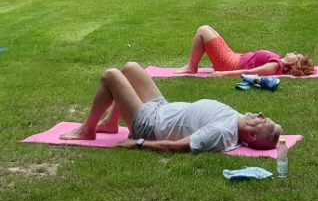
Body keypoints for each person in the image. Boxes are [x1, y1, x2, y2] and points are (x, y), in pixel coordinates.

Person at [60, 62, 282, 152]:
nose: (261, 114)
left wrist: (137, 143)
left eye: (263, 121)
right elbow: (270, 137)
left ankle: (87, 130)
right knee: (130, 68)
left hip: (150, 124)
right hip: (162, 108)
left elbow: (178, 146)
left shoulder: (220, 133)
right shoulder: (242, 123)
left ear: (252, 137)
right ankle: (109, 123)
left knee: (111, 75)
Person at [174, 25, 316, 77]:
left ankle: (191, 67)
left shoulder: (275, 65)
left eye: (297, 55)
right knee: (207, 29)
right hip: (233, 57)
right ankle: (191, 65)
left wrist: (223, 74)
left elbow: (249, 73)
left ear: (293, 64)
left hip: (229, 63)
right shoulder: (277, 61)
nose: (294, 52)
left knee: (203, 30)